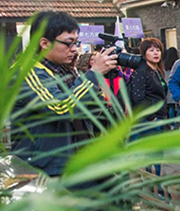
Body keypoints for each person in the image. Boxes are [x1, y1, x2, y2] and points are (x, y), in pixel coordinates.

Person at [11, 11, 118, 177]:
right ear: (44, 43)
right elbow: (62, 108)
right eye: (68, 44)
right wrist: (94, 73)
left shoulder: (61, 70)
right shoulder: (28, 72)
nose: (75, 50)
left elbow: (89, 110)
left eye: (76, 43)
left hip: (70, 163)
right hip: (41, 171)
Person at [129, 38, 168, 178]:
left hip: (159, 117)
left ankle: (154, 183)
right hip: (149, 119)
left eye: (158, 50)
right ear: (144, 53)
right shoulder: (141, 72)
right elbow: (138, 98)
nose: (156, 53)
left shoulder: (157, 71)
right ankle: (153, 185)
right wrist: (152, 116)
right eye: (151, 50)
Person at [164, 47, 180, 130]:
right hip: (176, 88)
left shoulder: (165, 65)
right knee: (179, 107)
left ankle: (172, 125)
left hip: (168, 89)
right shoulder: (178, 64)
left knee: (170, 107)